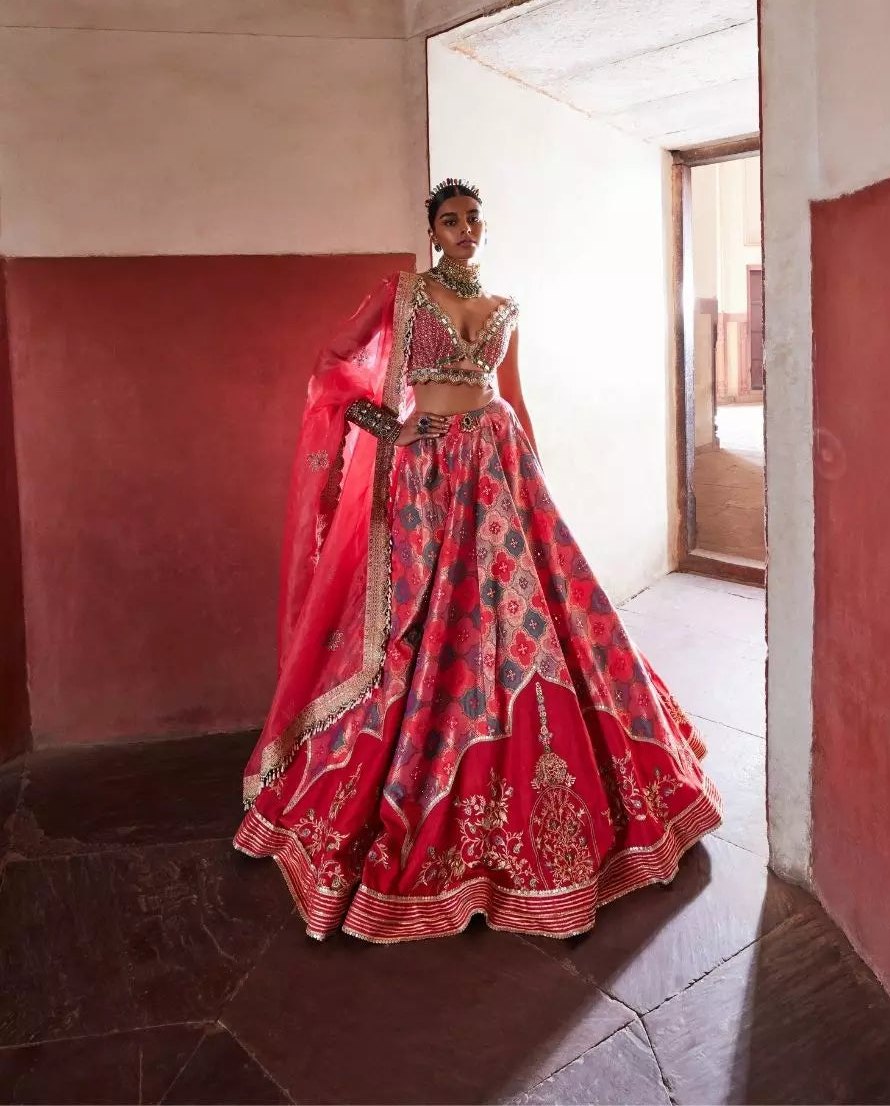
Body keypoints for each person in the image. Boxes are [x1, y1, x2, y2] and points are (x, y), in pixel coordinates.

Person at [235, 178, 722, 943]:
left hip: (501, 470)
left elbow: (512, 398)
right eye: (450, 220)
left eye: (473, 221)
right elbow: (334, 373)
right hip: (427, 478)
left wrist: (537, 481)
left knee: (529, 619)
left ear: (482, 232)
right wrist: (391, 433)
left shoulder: (504, 310)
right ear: (432, 231)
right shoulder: (403, 294)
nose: (464, 229)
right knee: (422, 622)